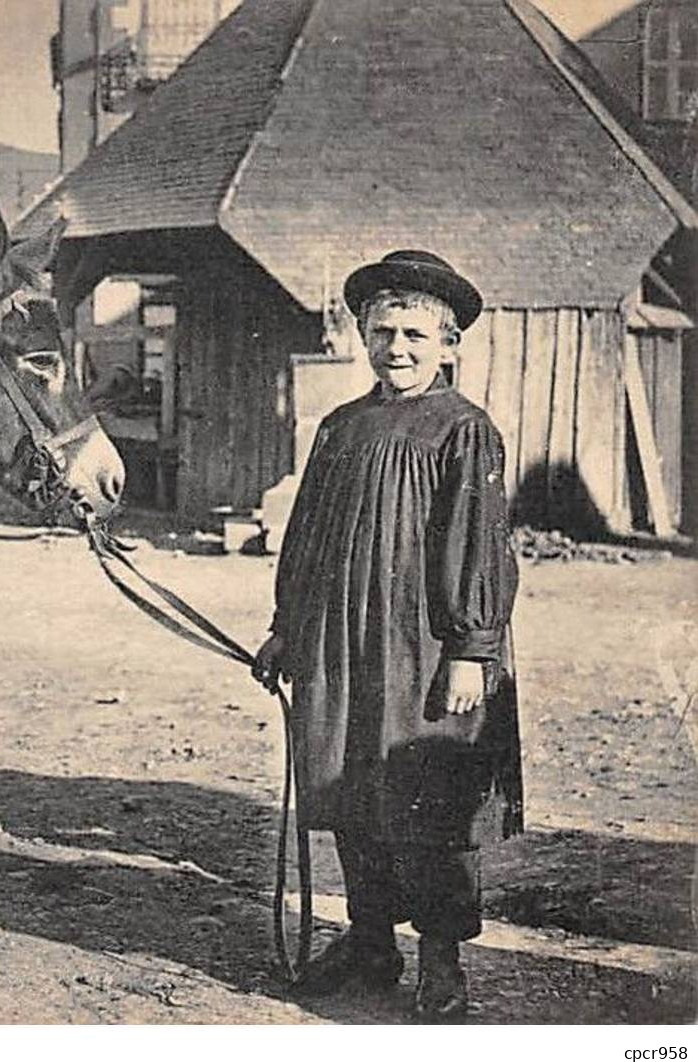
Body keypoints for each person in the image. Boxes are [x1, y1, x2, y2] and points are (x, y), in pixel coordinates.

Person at [253, 249, 523, 1022]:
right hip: (341, 646)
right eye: (381, 333)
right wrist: (285, 630)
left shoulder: (463, 431)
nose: (395, 348)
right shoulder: (341, 427)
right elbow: (305, 537)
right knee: (348, 788)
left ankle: (441, 960)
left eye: (411, 334)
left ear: (446, 345)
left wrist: (472, 650)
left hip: (425, 652)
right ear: (361, 338)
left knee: (429, 803)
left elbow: (477, 546)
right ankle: (371, 940)